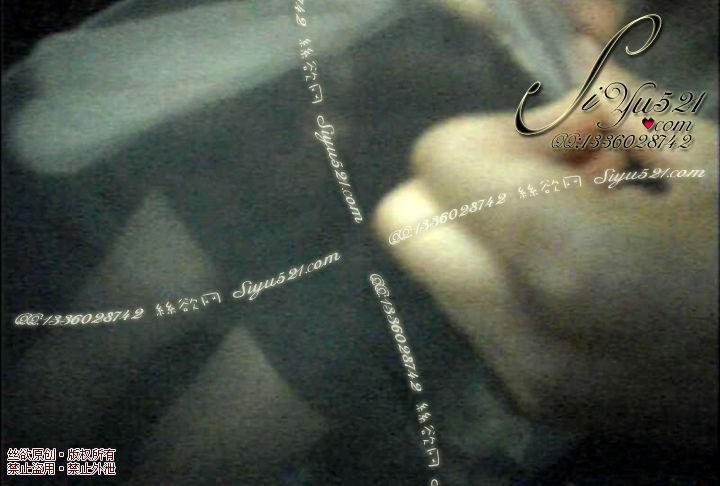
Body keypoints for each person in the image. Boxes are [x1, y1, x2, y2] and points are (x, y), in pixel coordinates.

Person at [2, 0, 717, 483]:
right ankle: (41, 470)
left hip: (498, 223)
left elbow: (653, 123)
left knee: (181, 460)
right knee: (77, 376)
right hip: (320, 113)